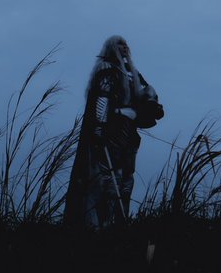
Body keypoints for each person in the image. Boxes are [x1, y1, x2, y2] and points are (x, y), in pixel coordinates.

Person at [64, 35, 164, 227]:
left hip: (129, 130)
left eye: (125, 43)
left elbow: (146, 93)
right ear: (111, 47)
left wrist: (152, 106)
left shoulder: (132, 73)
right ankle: (104, 221)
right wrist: (99, 127)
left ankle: (119, 221)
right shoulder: (107, 70)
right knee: (110, 174)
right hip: (113, 129)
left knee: (127, 175)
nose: (124, 46)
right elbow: (102, 98)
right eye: (119, 43)